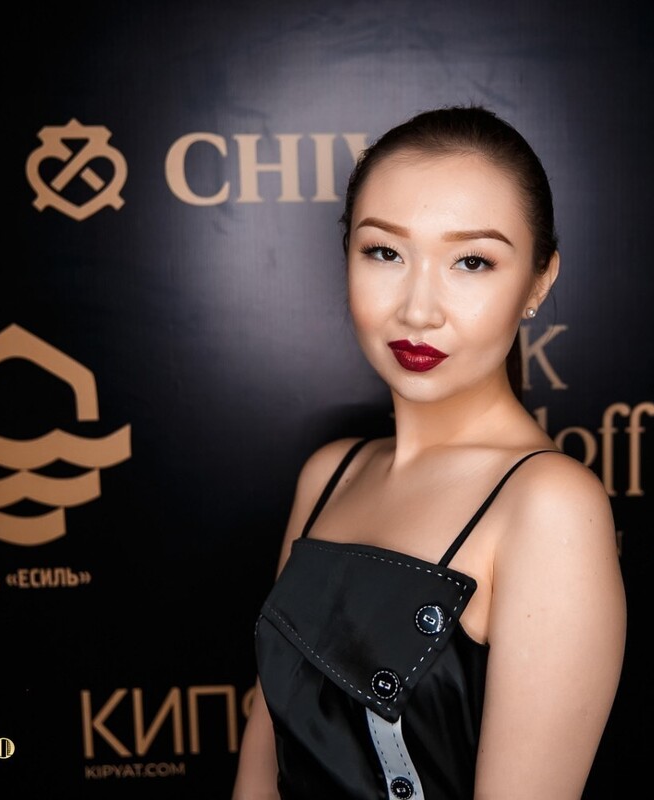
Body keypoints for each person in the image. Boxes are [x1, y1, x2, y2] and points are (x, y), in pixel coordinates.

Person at [232, 105, 626, 800]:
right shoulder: (328, 475)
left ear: (538, 281)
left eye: (472, 261)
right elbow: (260, 773)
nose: (418, 309)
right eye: (384, 252)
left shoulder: (550, 505)